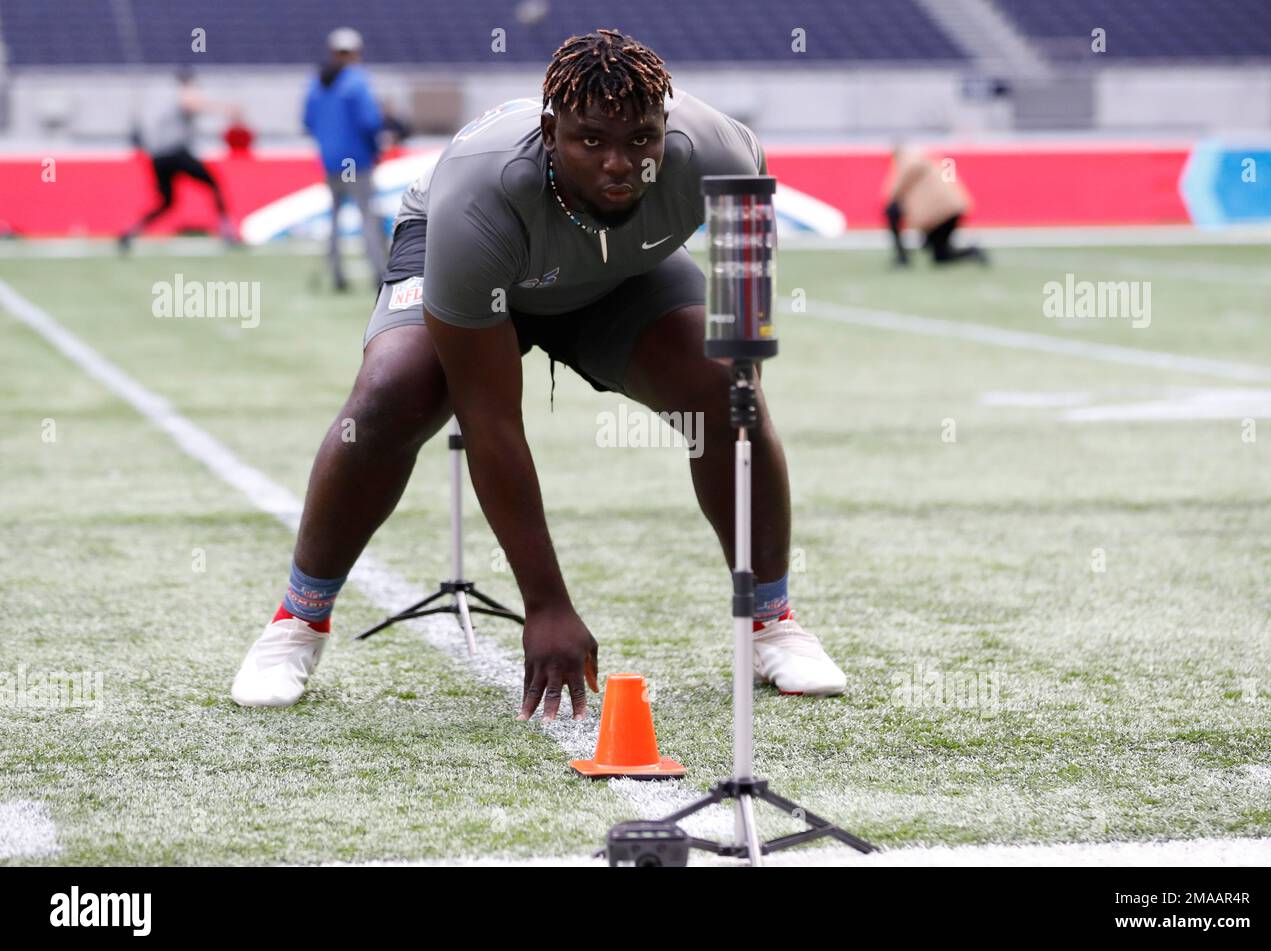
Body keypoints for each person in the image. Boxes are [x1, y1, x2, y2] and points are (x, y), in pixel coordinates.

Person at [231, 29, 847, 716]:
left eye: (642, 141)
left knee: (729, 392)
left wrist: (738, 366)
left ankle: (772, 620)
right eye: (590, 141)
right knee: (389, 397)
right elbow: (490, 419)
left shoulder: (728, 157)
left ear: (666, 127)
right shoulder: (480, 192)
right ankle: (298, 619)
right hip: (482, 261)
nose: (620, 165)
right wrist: (546, 604)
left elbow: (744, 338)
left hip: (614, 276)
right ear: (550, 131)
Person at [303, 27, 386, 292]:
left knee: (335, 217)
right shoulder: (357, 81)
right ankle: (379, 272)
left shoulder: (317, 82)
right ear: (355, 52)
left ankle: (336, 274)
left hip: (330, 162)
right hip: (358, 160)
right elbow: (370, 121)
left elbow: (308, 121)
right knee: (367, 217)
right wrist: (375, 149)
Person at [118, 67, 238, 251]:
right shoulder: (182, 94)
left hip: (159, 157)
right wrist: (225, 109)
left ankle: (131, 231)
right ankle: (227, 231)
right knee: (214, 185)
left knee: (166, 202)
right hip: (175, 154)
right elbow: (191, 103)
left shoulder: (164, 98)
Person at [883, 145, 986, 267]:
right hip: (947, 210)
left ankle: (903, 257)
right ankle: (971, 252)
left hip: (941, 214)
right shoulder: (924, 161)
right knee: (941, 256)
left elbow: (907, 175)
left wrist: (891, 195)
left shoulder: (909, 160)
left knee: (891, 211)